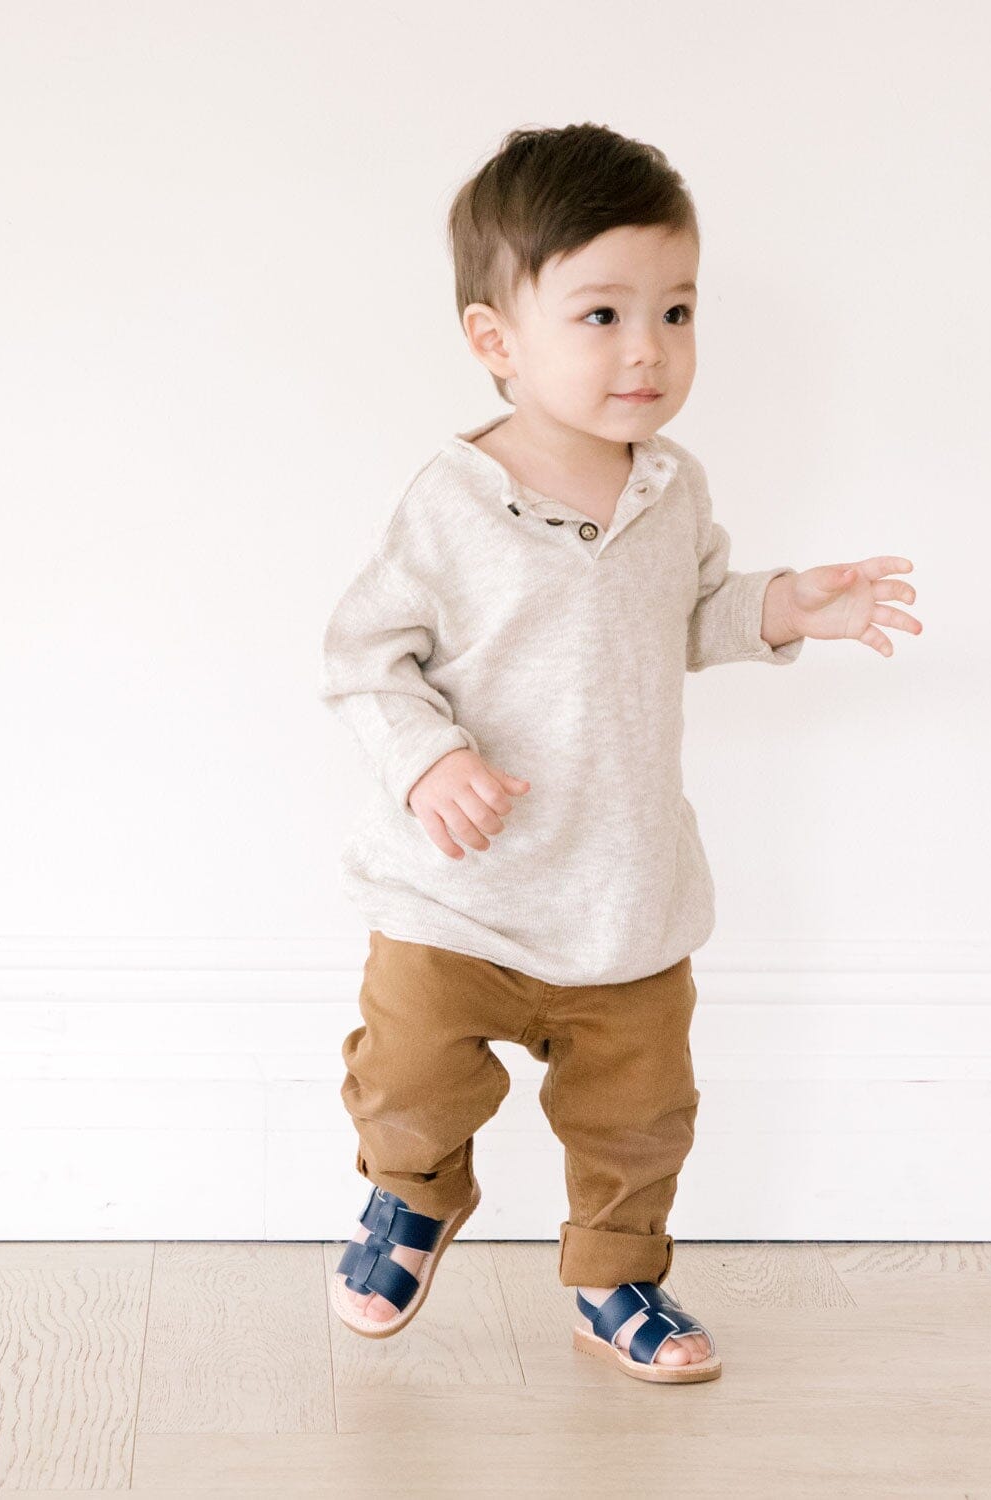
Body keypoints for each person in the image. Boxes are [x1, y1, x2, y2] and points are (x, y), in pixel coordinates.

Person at [317, 121, 921, 1383]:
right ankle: (413, 1192)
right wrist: (431, 763)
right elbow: (367, 656)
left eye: (676, 311)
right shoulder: (451, 501)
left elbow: (685, 615)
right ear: (496, 339)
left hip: (623, 894)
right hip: (458, 896)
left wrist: (781, 608)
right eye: (602, 315)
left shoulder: (671, 487)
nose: (648, 348)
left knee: (640, 1118)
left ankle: (616, 1270)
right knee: (409, 1073)